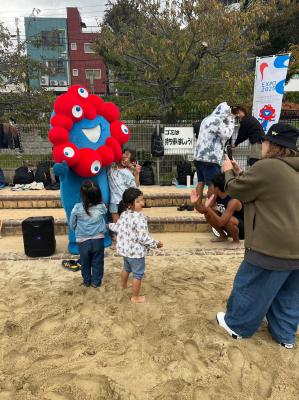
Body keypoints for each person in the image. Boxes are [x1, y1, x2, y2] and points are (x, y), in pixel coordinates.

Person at [217, 122, 299, 349]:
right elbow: (269, 189)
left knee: (249, 284)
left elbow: (235, 189)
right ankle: (285, 336)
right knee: (289, 295)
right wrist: (242, 173)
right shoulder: (291, 167)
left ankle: (236, 326)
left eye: (264, 140)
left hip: (271, 244)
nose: (261, 144)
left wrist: (227, 171)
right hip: (296, 248)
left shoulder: (269, 167)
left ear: (273, 144)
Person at [109, 187, 163, 304]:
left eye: (142, 200)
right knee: (138, 275)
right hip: (136, 254)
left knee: (126, 268)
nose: (142, 203)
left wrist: (108, 226)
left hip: (126, 251)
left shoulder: (123, 214)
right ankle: (135, 297)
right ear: (129, 204)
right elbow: (143, 238)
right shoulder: (140, 218)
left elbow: (117, 227)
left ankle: (123, 285)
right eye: (138, 201)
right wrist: (156, 244)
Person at [193, 102, 235, 212]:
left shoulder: (206, 119)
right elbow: (227, 134)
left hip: (198, 157)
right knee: (213, 184)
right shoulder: (217, 121)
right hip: (210, 158)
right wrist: (231, 120)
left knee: (201, 182)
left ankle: (197, 206)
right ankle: (209, 208)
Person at [70, 180, 107, 288]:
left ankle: (86, 282)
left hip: (82, 240)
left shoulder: (77, 208)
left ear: (82, 195)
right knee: (98, 262)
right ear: (98, 194)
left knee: (85, 262)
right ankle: (96, 282)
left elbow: (72, 223)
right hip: (98, 240)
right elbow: (104, 212)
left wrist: (76, 231)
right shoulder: (101, 207)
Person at [191, 173, 244, 245]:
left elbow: (221, 222)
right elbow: (202, 210)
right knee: (208, 214)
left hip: (242, 230)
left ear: (216, 188)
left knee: (229, 220)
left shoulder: (233, 201)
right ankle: (223, 236)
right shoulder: (215, 196)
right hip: (227, 225)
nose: (209, 189)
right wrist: (195, 203)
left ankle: (236, 241)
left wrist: (208, 208)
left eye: (211, 186)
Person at [108, 150, 140, 222]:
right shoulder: (111, 166)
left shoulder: (128, 173)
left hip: (124, 203)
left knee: (125, 223)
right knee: (116, 224)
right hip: (114, 202)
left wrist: (136, 173)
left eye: (128, 157)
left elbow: (135, 188)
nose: (125, 158)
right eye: (125, 154)